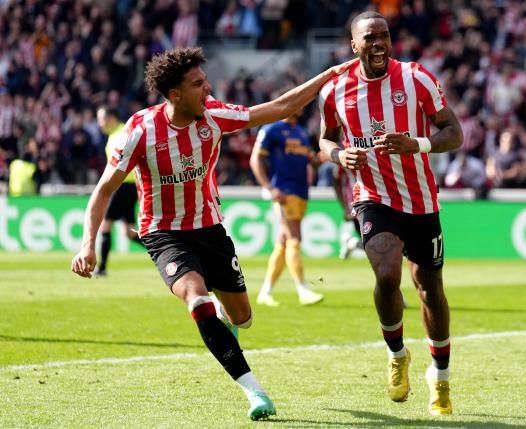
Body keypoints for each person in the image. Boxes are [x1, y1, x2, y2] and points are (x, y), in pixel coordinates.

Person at [71, 47, 351, 420]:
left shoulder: (215, 116)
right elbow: (104, 190)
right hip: (163, 232)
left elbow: (280, 107)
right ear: (175, 94)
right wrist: (88, 242)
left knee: (243, 318)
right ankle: (255, 393)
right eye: (198, 84)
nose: (209, 88)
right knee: (198, 302)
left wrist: (327, 74)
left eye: (206, 81)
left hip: (209, 227)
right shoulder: (140, 130)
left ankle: (226, 314)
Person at [318, 12, 463, 416]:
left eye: (385, 35)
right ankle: (397, 354)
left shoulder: (416, 78)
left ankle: (441, 377)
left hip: (420, 201)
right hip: (372, 196)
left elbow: (454, 132)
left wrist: (415, 144)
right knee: (385, 273)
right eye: (371, 37)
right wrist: (337, 154)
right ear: (354, 46)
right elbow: (325, 139)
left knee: (430, 289)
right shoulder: (336, 90)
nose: (380, 42)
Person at [249, 109, 324, 307]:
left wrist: (324, 156)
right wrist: (269, 188)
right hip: (283, 191)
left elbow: (313, 163)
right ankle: (303, 290)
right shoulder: (272, 129)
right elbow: (255, 158)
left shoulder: (301, 132)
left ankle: (265, 292)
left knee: (283, 241)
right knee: (294, 237)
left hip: (301, 191)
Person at [93, 106, 144, 277]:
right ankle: (164, 251)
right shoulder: (116, 134)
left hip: (123, 186)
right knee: (129, 232)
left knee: (105, 225)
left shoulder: (120, 135)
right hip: (128, 187)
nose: (100, 123)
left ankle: (102, 268)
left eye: (102, 119)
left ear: (111, 117)